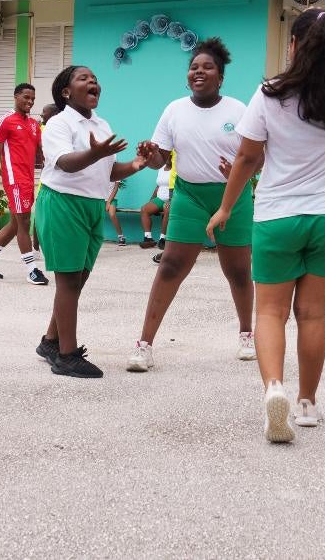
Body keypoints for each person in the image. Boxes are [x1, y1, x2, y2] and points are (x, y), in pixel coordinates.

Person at [206, 8, 325, 442]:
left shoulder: (269, 94)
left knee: (269, 311)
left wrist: (226, 208)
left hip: (278, 214)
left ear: (295, 45)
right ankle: (307, 404)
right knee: (313, 315)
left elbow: (247, 158)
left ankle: (274, 390)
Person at [127, 37, 257, 373]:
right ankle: (144, 344)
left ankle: (247, 334)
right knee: (170, 266)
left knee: (238, 270)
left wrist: (238, 174)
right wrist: (150, 152)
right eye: (193, 67)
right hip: (190, 195)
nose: (198, 71)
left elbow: (254, 157)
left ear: (221, 77)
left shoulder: (238, 110)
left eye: (207, 67)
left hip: (233, 196)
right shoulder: (174, 110)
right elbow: (160, 162)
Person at [35, 65, 149, 378]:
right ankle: (66, 355)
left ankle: (50, 341)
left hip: (92, 205)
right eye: (83, 78)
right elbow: (66, 164)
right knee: (69, 280)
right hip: (63, 202)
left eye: (95, 79)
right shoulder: (59, 124)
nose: (92, 82)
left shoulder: (100, 123)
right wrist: (95, 154)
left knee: (78, 278)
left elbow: (109, 172)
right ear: (66, 92)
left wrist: (138, 163)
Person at [0, 83, 49, 285]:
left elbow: (43, 150)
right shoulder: (4, 121)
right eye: (26, 97)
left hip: (28, 179)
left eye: (33, 98)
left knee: (17, 223)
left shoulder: (33, 124)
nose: (30, 102)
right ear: (16, 97)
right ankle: (32, 270)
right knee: (24, 222)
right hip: (14, 179)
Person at [32, 103, 61, 252]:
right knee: (40, 212)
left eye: (44, 112)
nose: (41, 114)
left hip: (62, 179)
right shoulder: (42, 129)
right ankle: (36, 248)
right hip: (47, 179)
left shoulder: (59, 129)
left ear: (54, 114)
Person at [138, 160, 171, 249]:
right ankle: (148, 238)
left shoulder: (176, 170)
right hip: (159, 199)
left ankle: (163, 239)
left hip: (171, 199)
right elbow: (158, 186)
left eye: (170, 156)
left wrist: (172, 200)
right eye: (167, 157)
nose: (168, 159)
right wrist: (151, 200)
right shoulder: (161, 169)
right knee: (144, 209)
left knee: (167, 209)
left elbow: (180, 187)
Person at [105, 180, 126, 245]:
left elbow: (115, 188)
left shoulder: (117, 172)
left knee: (112, 214)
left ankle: (121, 237)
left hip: (111, 200)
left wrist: (108, 202)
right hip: (100, 198)